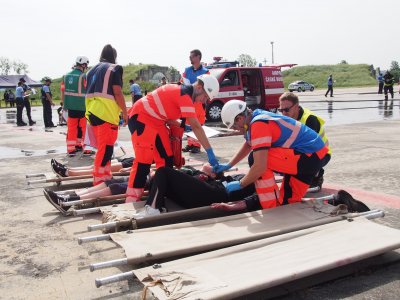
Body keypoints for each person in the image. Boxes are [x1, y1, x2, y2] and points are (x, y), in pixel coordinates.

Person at [212, 100, 330, 212]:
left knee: (256, 159)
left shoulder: (259, 124)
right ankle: (335, 201)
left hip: (308, 157)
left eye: (234, 127)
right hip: (312, 158)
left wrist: (241, 183)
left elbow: (260, 167)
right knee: (288, 203)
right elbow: (249, 144)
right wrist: (229, 165)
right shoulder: (257, 117)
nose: (236, 130)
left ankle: (270, 207)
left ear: (240, 118)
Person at [125, 73, 220, 203]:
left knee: (167, 160)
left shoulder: (183, 93)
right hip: (141, 118)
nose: (204, 101)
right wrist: (210, 152)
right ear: (199, 87)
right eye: (205, 97)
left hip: (156, 121)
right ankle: (131, 200)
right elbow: (197, 127)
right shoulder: (184, 95)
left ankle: (160, 190)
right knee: (143, 162)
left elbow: (167, 113)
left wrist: (182, 126)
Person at [135, 164, 255, 217]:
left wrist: (232, 206)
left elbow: (254, 199)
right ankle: (157, 206)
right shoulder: (212, 177)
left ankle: (153, 209)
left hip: (217, 193)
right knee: (156, 178)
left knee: (163, 171)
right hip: (207, 191)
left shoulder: (251, 182)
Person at [85, 44, 128, 186]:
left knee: (105, 149)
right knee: (105, 150)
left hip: (92, 112)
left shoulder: (91, 71)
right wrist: (125, 112)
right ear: (114, 56)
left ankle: (106, 176)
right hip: (106, 114)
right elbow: (117, 92)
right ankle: (99, 181)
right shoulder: (114, 68)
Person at [278, 92, 331, 188]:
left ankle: (317, 174)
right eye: (281, 110)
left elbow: (309, 147)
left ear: (296, 106)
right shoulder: (287, 119)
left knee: (296, 159)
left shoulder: (309, 119)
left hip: (321, 154)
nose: (283, 113)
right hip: (308, 151)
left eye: (286, 110)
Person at [181, 49, 211, 154]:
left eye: (192, 56)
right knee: (188, 122)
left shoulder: (206, 72)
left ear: (198, 57)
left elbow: (207, 86)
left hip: (199, 102)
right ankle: (190, 144)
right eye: (190, 56)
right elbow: (183, 83)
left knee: (198, 122)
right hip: (189, 100)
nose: (190, 58)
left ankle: (197, 145)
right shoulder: (187, 70)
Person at [61, 56, 89, 156]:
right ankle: (86, 149)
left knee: (72, 128)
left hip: (70, 106)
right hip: (82, 107)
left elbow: (63, 91)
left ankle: (71, 149)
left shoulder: (66, 76)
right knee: (84, 128)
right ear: (84, 65)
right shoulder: (84, 76)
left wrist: (64, 104)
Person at [50, 157, 134, 177]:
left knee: (99, 169)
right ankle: (67, 169)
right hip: (135, 159)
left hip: (138, 163)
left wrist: (130, 169)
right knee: (94, 166)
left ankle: (67, 172)